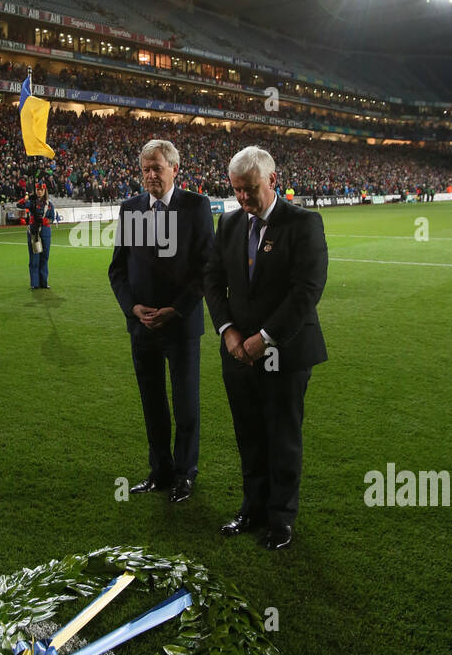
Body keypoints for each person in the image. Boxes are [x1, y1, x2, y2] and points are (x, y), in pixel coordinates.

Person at [204, 145, 328, 549]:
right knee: (248, 432)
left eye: (250, 189)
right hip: (237, 352)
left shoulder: (304, 223)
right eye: (236, 190)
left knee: (282, 435)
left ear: (272, 181)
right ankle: (252, 507)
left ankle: (281, 519)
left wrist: (265, 338)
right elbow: (212, 280)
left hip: (284, 351)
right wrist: (228, 331)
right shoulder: (230, 224)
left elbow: (305, 292)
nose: (242, 198)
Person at [108, 139, 215, 504]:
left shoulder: (196, 207)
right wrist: (132, 309)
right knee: (152, 402)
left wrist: (177, 308)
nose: (150, 175)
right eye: (145, 169)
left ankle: (186, 474)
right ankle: (160, 471)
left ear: (174, 169)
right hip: (142, 327)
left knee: (186, 403)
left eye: (157, 168)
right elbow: (118, 270)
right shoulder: (130, 209)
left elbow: (207, 268)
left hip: (180, 325)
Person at [17, 176, 56, 289]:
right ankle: (35, 283)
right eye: (38, 190)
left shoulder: (49, 204)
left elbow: (52, 218)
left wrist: (45, 220)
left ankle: (44, 282)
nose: (39, 192)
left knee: (45, 257)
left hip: (45, 231)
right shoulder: (32, 202)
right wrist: (26, 197)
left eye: (41, 190)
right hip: (34, 231)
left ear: (45, 191)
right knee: (34, 257)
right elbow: (19, 205)